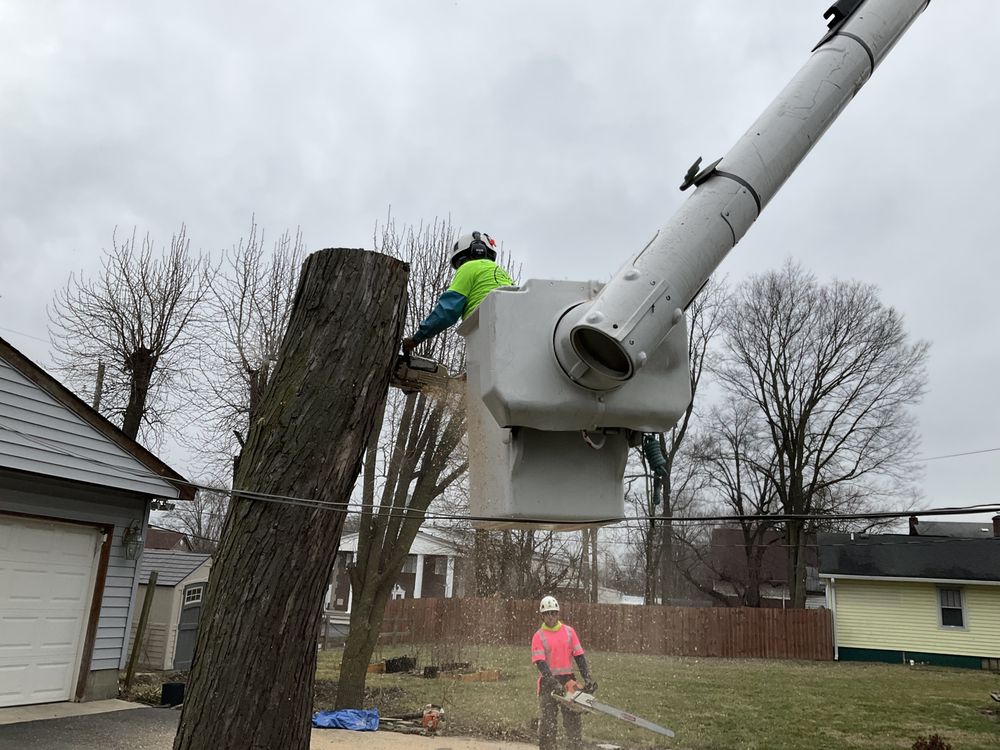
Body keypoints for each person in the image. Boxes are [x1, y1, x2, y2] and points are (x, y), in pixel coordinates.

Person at [401, 230, 514, 353]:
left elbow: (447, 311)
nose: (460, 265)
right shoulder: (504, 274)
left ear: (475, 250)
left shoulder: (469, 267)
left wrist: (417, 338)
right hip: (512, 329)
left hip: (482, 326)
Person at [530, 595, 597, 750]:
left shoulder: (569, 632)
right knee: (549, 722)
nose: (551, 617)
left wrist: (587, 678)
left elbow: (579, 656)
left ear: (558, 613)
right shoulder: (538, 636)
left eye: (553, 613)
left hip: (568, 681)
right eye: (547, 613)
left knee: (573, 721)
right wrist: (553, 682)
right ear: (542, 615)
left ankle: (574, 747)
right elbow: (541, 663)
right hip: (548, 683)